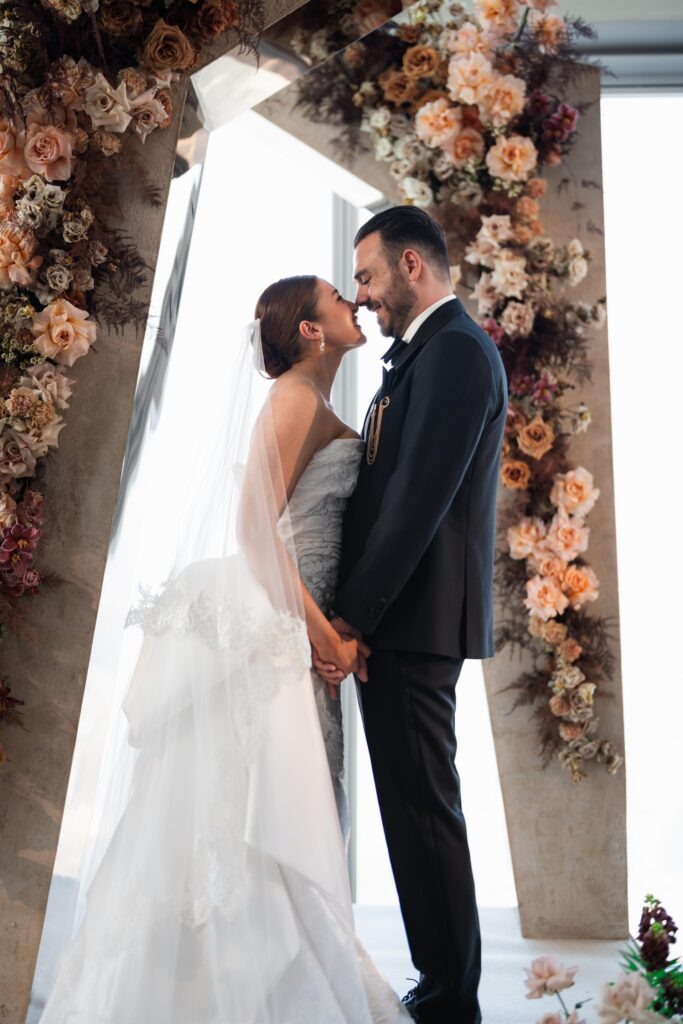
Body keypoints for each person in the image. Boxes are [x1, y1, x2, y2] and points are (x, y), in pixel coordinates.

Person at [38, 274, 411, 1023]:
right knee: (262, 811)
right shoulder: (295, 401)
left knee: (282, 807)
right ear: (309, 329)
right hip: (275, 624)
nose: (355, 303)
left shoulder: (312, 401)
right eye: (340, 297)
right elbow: (253, 532)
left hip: (292, 617)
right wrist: (321, 637)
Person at [313, 206, 508, 1024]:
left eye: (367, 276)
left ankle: (450, 999)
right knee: (412, 807)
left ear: (411, 267)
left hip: (412, 621)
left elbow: (417, 503)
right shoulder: (432, 351)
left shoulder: (457, 354)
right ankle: (440, 983)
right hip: (403, 619)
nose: (361, 296)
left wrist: (353, 619)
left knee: (424, 811)